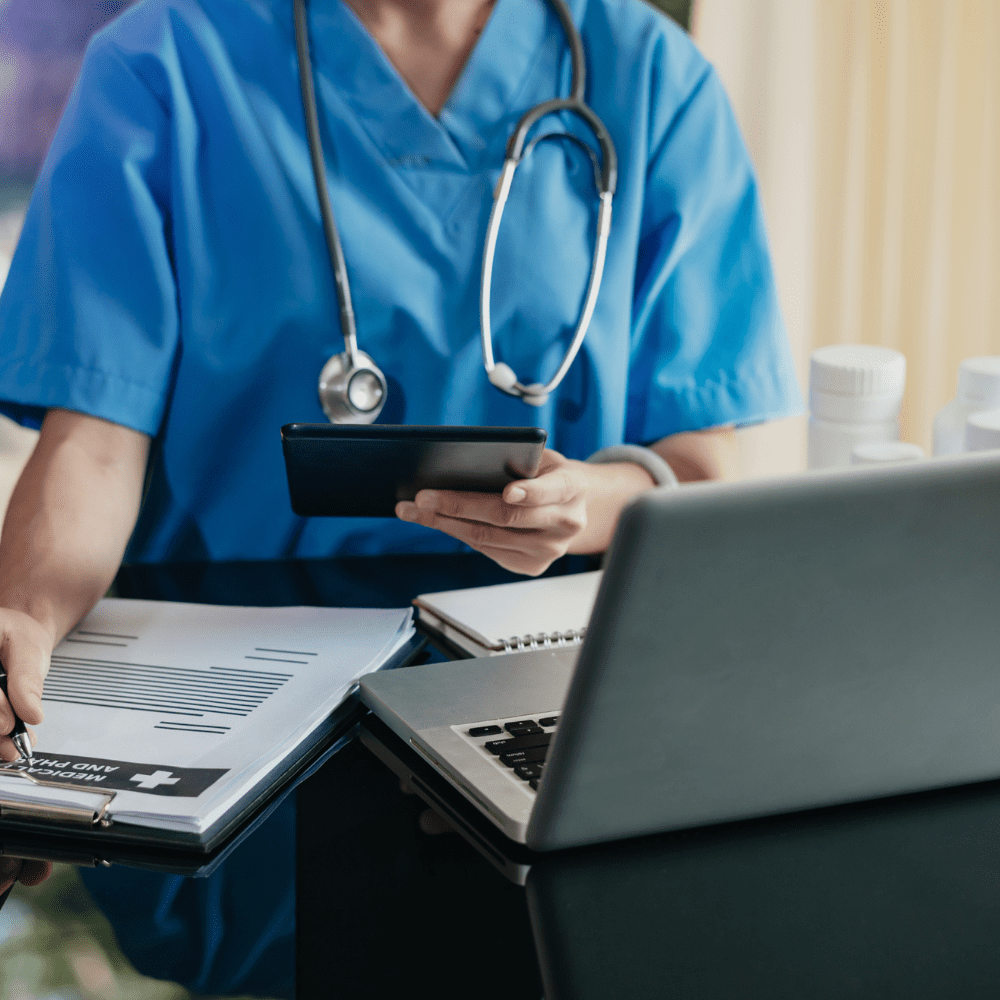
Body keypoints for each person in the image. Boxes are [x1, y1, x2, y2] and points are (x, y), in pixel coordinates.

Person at [0, 0, 799, 757]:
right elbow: (93, 443)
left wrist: (583, 505)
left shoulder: (653, 77)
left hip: (542, 702)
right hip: (215, 693)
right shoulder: (161, 62)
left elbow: (696, 468)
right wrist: (22, 624)